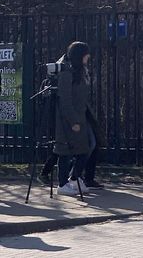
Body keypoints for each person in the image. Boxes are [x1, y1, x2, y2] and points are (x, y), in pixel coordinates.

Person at [53, 42, 99, 196]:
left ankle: (74, 176)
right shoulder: (67, 73)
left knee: (88, 145)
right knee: (64, 150)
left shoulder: (81, 71)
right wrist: (73, 121)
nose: (88, 57)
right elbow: (65, 100)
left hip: (81, 116)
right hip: (69, 119)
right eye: (86, 54)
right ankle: (62, 183)